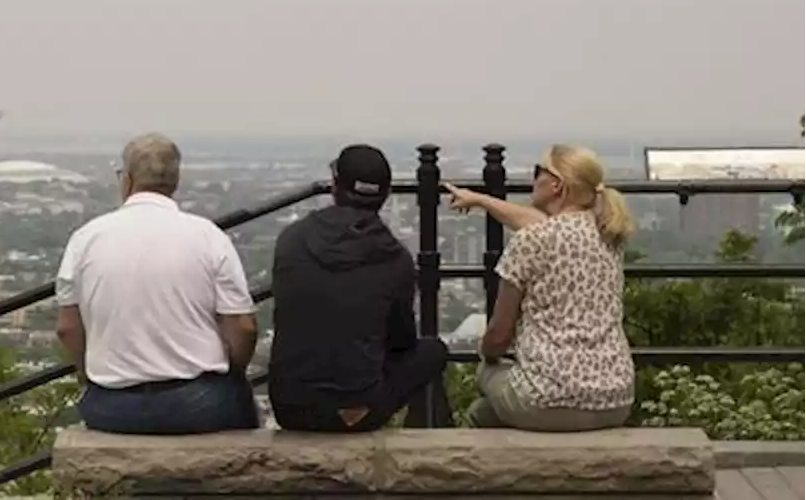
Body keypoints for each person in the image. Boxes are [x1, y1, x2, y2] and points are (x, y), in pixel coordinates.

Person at [54, 132, 260, 434]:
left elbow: (67, 327)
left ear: (126, 179)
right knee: (241, 403)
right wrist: (233, 373)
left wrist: (89, 377)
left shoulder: (85, 238)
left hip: (111, 406)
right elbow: (243, 327)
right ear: (175, 182)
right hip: (199, 402)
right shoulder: (208, 236)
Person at [443, 143, 637, 431]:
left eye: (538, 172)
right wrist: (481, 200)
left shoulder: (532, 240)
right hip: (617, 398)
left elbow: (498, 333)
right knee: (486, 411)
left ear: (556, 184)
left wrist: (488, 354)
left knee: (488, 374)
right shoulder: (609, 233)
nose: (532, 180)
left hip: (549, 399)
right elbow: (549, 225)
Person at [268, 144, 451, 431]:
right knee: (433, 351)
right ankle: (425, 428)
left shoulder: (292, 239)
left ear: (335, 186)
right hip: (356, 411)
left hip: (289, 405)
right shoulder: (395, 258)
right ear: (385, 195)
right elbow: (402, 342)